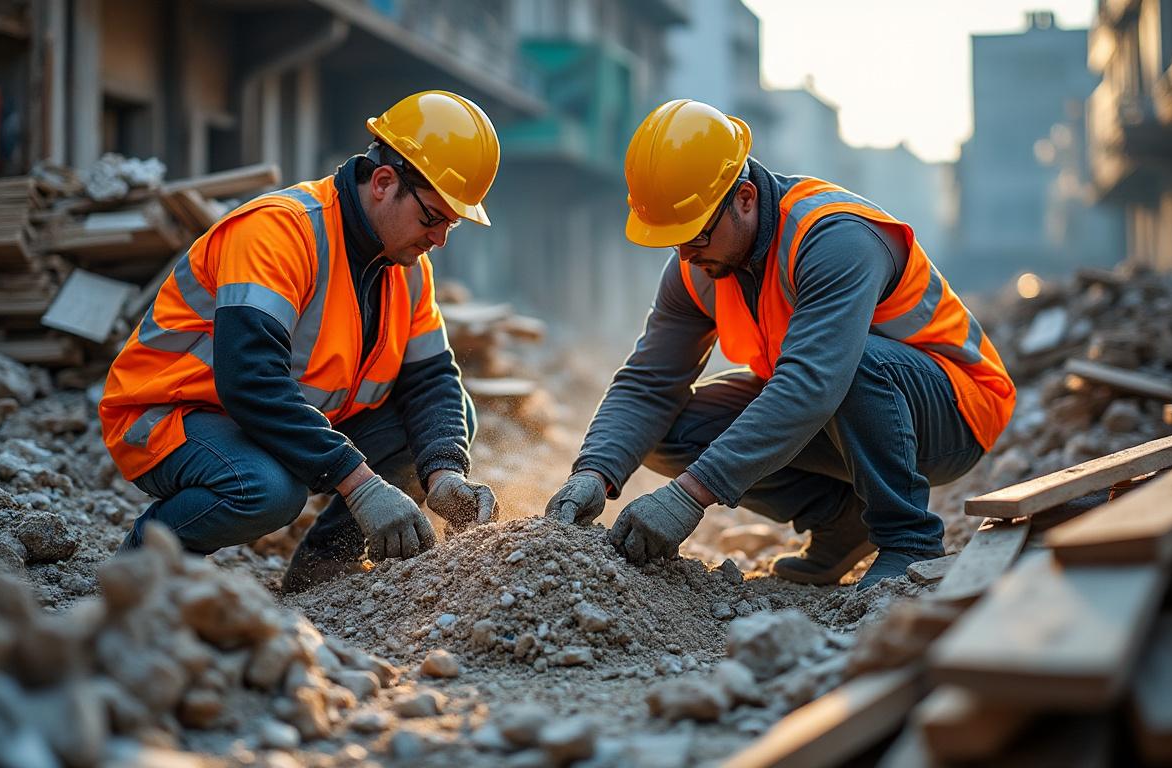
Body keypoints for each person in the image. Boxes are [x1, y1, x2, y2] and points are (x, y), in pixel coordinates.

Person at [545, 99, 1015, 589]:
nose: (685, 253)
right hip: (839, 408)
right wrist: (595, 471)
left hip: (953, 413)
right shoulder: (698, 264)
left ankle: (909, 538)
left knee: (850, 363)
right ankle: (841, 524)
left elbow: (814, 381)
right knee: (666, 427)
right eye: (674, 240)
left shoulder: (836, 239)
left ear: (745, 198)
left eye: (695, 235)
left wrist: (688, 495)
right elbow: (649, 383)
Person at [100, 90, 502, 591]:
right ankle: (137, 569)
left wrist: (443, 473)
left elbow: (434, 379)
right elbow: (250, 382)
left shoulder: (408, 268)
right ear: (383, 182)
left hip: (268, 420)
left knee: (447, 420)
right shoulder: (280, 232)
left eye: (451, 224)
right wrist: (361, 484)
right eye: (431, 217)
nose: (439, 238)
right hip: (170, 415)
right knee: (267, 490)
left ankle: (320, 582)